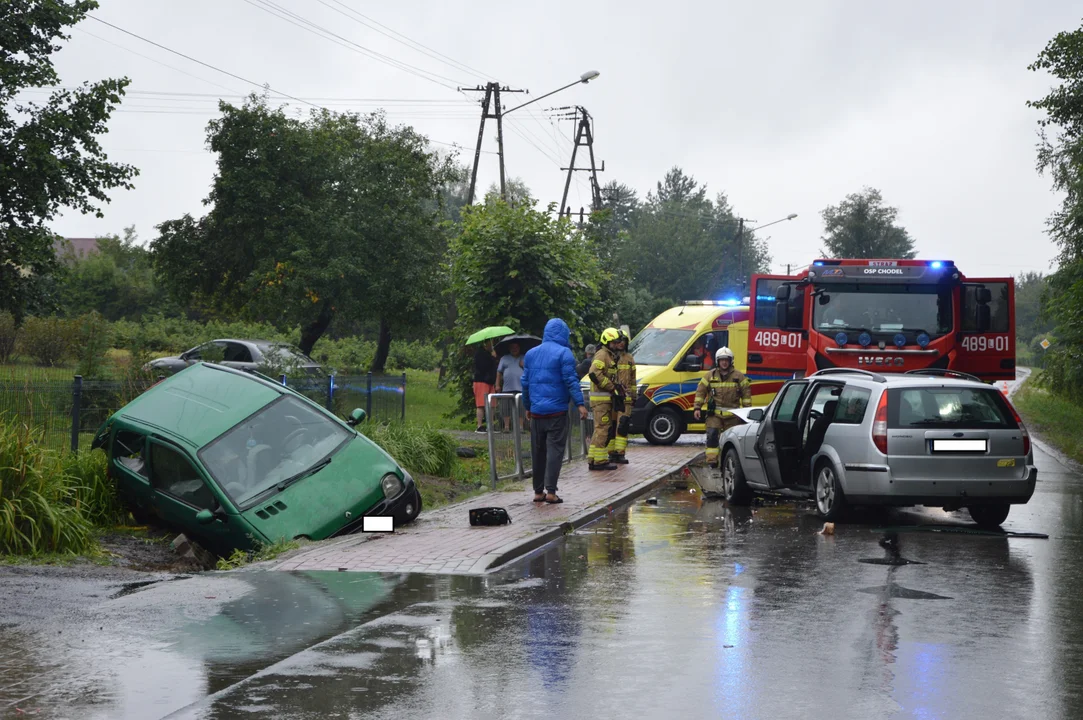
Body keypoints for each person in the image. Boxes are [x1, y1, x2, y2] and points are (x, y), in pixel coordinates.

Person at [521, 319, 588, 504]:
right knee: (554, 451)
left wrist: (527, 406)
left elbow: (525, 383)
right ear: (564, 334)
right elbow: (571, 380)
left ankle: (537, 492)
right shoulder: (564, 353)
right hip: (557, 412)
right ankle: (551, 492)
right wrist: (580, 404)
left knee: (538, 451)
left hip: (536, 413)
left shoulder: (531, 354)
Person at [693, 346, 752, 468]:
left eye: (726, 359)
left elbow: (746, 395)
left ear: (731, 361)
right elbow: (700, 392)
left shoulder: (739, 377)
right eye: (722, 360)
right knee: (712, 437)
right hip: (714, 415)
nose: (724, 362)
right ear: (717, 361)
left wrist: (747, 412)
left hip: (733, 416)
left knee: (731, 441)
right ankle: (712, 462)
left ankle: (729, 462)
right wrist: (697, 408)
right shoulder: (709, 376)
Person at [587, 328, 622, 471]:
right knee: (603, 429)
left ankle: (593, 459)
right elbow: (594, 374)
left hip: (604, 400)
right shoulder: (602, 355)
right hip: (600, 400)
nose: (616, 345)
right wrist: (611, 386)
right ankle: (600, 461)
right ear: (607, 341)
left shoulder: (609, 355)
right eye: (614, 342)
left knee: (599, 429)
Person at [609, 330, 637, 465]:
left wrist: (634, 396)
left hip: (625, 398)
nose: (621, 343)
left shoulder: (629, 358)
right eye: (618, 341)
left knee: (623, 425)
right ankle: (611, 453)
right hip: (612, 397)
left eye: (623, 341)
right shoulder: (609, 357)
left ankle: (620, 453)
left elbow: (633, 380)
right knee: (611, 425)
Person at [496, 342, 525, 433]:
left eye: (516, 347)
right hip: (507, 388)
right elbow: (499, 372)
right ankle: (506, 427)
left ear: (519, 348)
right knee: (505, 408)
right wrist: (497, 385)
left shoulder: (524, 358)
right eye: (512, 347)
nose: (514, 349)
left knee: (521, 408)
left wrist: (524, 366)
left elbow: (531, 371)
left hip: (521, 387)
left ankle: (521, 427)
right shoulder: (504, 358)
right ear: (509, 348)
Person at [472, 341, 498, 433]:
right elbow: (483, 366)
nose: (491, 346)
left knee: (492, 404)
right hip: (481, 381)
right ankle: (479, 425)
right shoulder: (480, 354)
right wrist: (492, 358)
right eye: (489, 344)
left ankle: (490, 425)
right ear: (484, 345)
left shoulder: (489, 354)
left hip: (490, 381)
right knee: (481, 404)